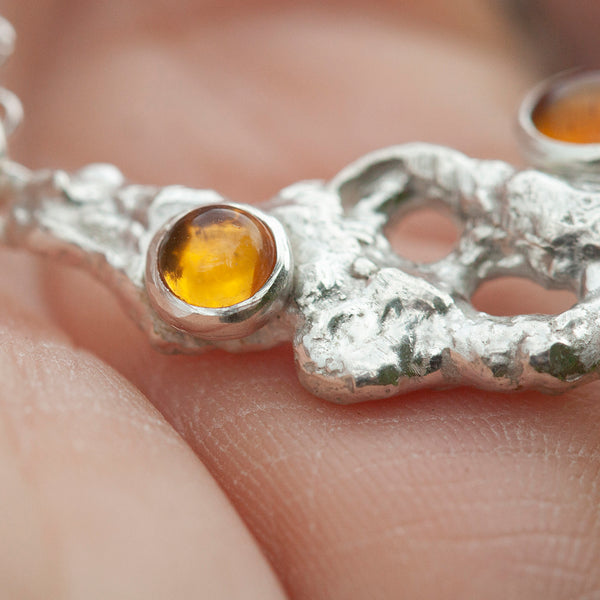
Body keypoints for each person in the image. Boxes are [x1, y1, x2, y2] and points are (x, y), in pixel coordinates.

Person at [1, 1, 598, 597]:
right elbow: (410, 178)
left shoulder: (368, 318)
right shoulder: (348, 276)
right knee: (109, 222)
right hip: (288, 261)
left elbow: (534, 346)